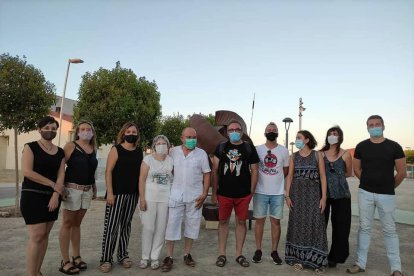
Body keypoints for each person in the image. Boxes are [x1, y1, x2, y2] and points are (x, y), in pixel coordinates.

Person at [347, 115, 406, 276]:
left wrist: (388, 185)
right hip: (365, 193)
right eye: (371, 125)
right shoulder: (361, 146)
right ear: (367, 128)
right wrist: (367, 182)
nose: (374, 127)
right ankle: (360, 263)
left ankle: (396, 268)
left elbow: (402, 172)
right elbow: (357, 169)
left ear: (383, 126)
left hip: (387, 195)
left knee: (389, 230)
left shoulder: (394, 146)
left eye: (377, 124)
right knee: (364, 228)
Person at [20, 116, 66, 276]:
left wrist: (55, 194)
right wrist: (53, 185)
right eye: (46, 128)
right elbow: (27, 172)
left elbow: (61, 175)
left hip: (53, 197)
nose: (50, 131)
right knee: (37, 235)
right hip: (32, 196)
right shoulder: (30, 147)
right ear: (39, 129)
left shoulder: (60, 152)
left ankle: (37, 271)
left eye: (53, 128)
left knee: (45, 235)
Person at [161, 127, 211, 272]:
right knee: (172, 225)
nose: (191, 140)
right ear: (181, 138)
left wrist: (205, 192)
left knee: (192, 224)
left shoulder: (201, 154)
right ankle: (169, 257)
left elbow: (207, 173)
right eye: (188, 137)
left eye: (194, 137)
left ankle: (187, 254)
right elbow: (165, 168)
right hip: (176, 195)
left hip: (195, 196)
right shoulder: (173, 152)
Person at [211, 120, 260, 268]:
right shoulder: (221, 147)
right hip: (224, 193)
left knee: (241, 222)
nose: (234, 132)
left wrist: (251, 192)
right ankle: (222, 254)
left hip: (243, 194)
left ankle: (239, 254)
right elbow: (215, 171)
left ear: (241, 131)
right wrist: (214, 193)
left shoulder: (249, 148)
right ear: (227, 133)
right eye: (231, 130)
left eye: (237, 129)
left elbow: (255, 170)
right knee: (223, 222)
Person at [99, 122, 143, 273]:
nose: (131, 134)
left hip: (132, 194)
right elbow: (108, 172)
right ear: (123, 133)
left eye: (134, 132)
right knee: (111, 227)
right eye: (128, 131)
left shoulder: (139, 152)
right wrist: (110, 193)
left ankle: (123, 255)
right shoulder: (116, 150)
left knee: (126, 226)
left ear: (137, 134)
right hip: (116, 194)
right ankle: (106, 258)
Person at [285, 130, 328, 274]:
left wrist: (324, 198)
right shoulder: (293, 157)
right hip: (297, 197)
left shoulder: (317, 155)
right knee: (298, 226)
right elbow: (290, 176)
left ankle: (317, 262)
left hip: (314, 197)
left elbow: (322, 176)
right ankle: (299, 260)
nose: (296, 140)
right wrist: (287, 195)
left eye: (299, 138)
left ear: (307, 140)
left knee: (316, 226)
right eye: (296, 138)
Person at [59, 120, 98, 274]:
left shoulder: (93, 148)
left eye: (89, 129)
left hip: (86, 191)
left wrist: (94, 187)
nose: (86, 131)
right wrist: (60, 187)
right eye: (82, 129)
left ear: (92, 132)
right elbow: (61, 167)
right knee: (67, 223)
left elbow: (90, 170)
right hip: (71, 190)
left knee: (77, 224)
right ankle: (65, 260)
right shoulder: (70, 146)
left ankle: (77, 257)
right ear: (78, 132)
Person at [252, 122, 289, 265]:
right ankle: (258, 250)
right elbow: (254, 169)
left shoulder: (284, 151)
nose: (271, 131)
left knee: (276, 222)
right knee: (259, 222)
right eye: (269, 129)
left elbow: (285, 171)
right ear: (265, 132)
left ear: (278, 133)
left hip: (277, 193)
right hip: (260, 191)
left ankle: (274, 251)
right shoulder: (258, 149)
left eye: (274, 130)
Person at [138, 135, 173, 270]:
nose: (161, 145)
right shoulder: (148, 160)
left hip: (165, 199)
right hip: (149, 198)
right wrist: (142, 199)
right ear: (154, 146)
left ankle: (154, 257)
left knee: (160, 229)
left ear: (168, 146)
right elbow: (141, 180)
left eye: (164, 143)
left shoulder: (171, 161)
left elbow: (173, 179)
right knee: (148, 228)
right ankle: (145, 257)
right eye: (158, 143)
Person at [320, 126, 352, 268]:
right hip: (323, 194)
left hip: (341, 194)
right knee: (321, 224)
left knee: (341, 226)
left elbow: (348, 173)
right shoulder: (320, 154)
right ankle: (319, 253)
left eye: (335, 134)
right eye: (330, 133)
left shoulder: (345, 154)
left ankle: (335, 257)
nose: (332, 135)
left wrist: (335, 179)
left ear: (340, 137)